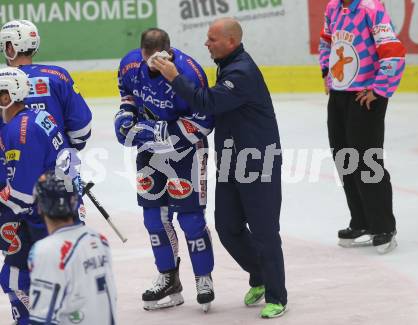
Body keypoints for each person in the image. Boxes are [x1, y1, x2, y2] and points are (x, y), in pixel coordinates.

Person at [152, 17, 287, 319]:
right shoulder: (227, 65)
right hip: (231, 161)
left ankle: (277, 295)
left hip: (257, 163)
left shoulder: (241, 72)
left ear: (231, 42)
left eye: (212, 39)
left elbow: (205, 102)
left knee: (265, 231)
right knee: (227, 227)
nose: (206, 43)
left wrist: (174, 75)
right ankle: (260, 274)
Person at [114, 28, 215, 312]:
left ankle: (203, 276)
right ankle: (169, 278)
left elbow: (204, 121)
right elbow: (128, 96)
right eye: (151, 60)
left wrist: (160, 132)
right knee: (153, 219)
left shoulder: (190, 72)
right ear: (143, 54)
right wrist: (125, 116)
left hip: (187, 150)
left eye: (162, 59)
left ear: (169, 52)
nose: (156, 65)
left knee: (191, 218)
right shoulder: (130, 64)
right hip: (149, 152)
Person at [318, 0, 406, 254]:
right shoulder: (333, 7)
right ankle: (362, 221)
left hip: (365, 97)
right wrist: (327, 72)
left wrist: (379, 90)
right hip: (339, 94)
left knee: (367, 160)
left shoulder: (371, 8)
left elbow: (393, 51)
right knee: (344, 159)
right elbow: (326, 42)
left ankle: (383, 226)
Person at [0, 67, 72, 324]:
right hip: (58, 210)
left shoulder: (19, 129)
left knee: (14, 278)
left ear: (10, 96)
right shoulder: (39, 116)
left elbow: (21, 195)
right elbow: (70, 158)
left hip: (40, 218)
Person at [28, 170, 117, 325]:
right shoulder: (99, 239)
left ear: (40, 207)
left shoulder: (46, 250)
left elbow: (42, 318)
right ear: (75, 202)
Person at [0, 19, 92, 152]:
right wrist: (65, 150)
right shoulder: (57, 75)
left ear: (10, 47)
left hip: (11, 166)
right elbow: (81, 126)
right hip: (58, 165)